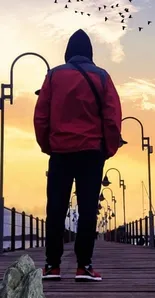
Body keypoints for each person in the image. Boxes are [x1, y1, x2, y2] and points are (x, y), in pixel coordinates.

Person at [34, 29, 122, 282]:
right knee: (87, 211)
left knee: (56, 209)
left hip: (60, 152)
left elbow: (41, 115)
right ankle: (84, 266)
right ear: (91, 53)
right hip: (91, 153)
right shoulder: (103, 77)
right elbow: (112, 117)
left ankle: (52, 266)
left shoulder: (53, 76)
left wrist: (47, 145)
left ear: (68, 52)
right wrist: (109, 149)